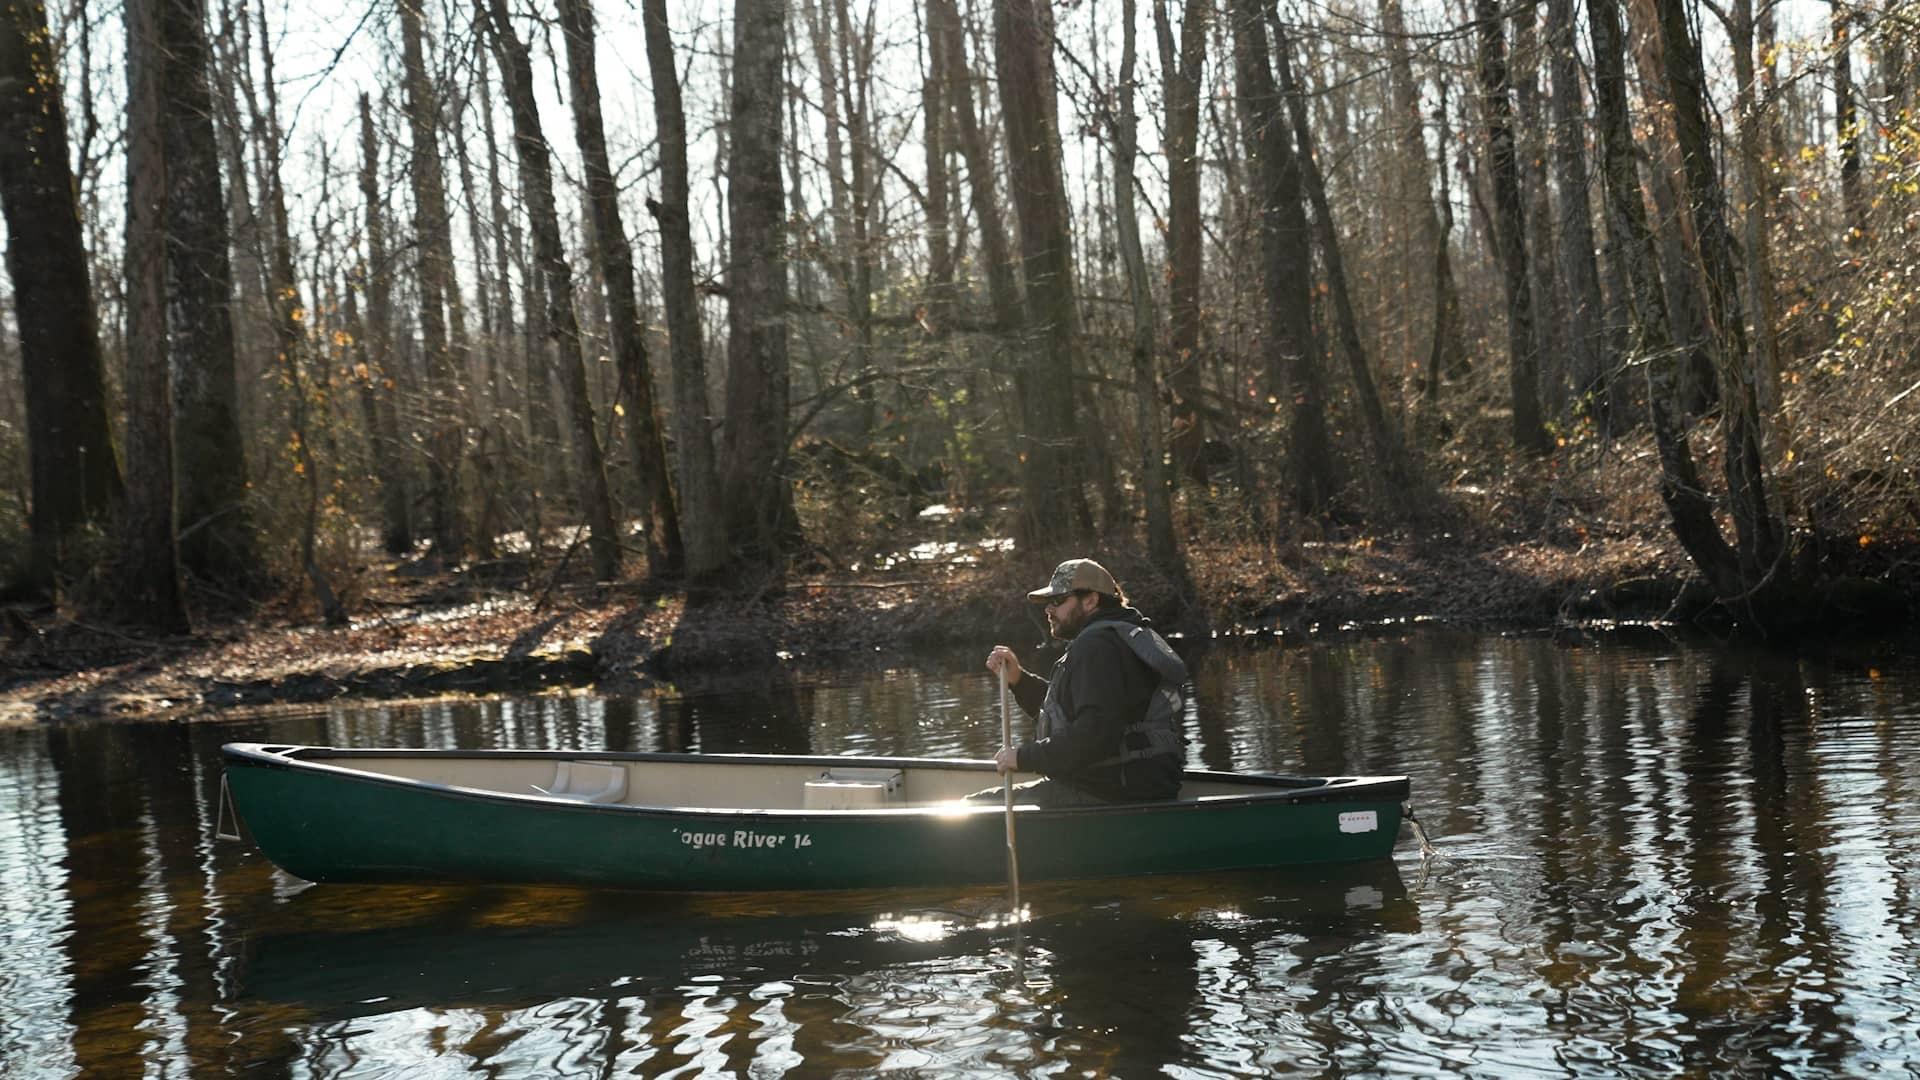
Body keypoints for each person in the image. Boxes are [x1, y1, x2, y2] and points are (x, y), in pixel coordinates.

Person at [981, 558, 1188, 806]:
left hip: (1108, 791)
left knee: (970, 807)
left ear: (1090, 600)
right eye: (1048, 603)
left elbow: (1093, 736)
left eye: (1057, 601)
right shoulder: (1116, 638)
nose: (1049, 610)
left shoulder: (1096, 646)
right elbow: (1074, 714)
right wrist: (1018, 680)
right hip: (1131, 784)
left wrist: (1023, 757)